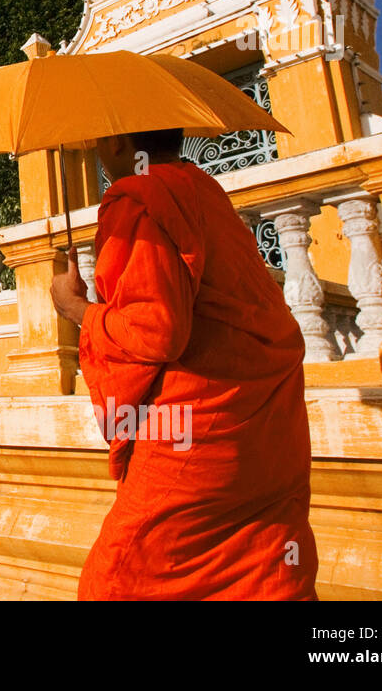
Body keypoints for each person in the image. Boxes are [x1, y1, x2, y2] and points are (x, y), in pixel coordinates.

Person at [50, 127, 318, 600]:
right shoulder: (204, 191)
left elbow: (155, 332)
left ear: (114, 143)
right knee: (261, 569)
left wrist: (76, 309)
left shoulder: (139, 200)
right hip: (264, 427)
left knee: (121, 579)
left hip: (196, 433)